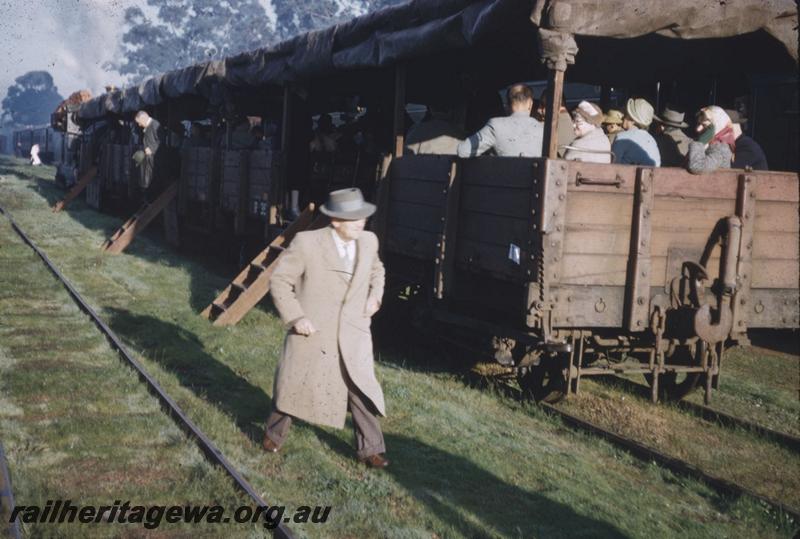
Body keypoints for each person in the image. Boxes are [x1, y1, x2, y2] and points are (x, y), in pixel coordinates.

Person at [264, 188, 389, 468]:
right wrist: (296, 318)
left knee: (360, 389)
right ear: (335, 221)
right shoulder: (307, 243)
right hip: (314, 331)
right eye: (353, 219)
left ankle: (371, 449)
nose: (361, 223)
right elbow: (280, 281)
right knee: (294, 383)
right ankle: (274, 434)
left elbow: (377, 271)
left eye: (363, 217)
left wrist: (375, 296)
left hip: (354, 332)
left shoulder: (368, 242)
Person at [457, 84, 543, 158]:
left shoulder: (496, 126)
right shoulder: (542, 130)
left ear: (508, 104)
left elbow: (463, 151)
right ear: (530, 104)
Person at [611, 98, 661, 166]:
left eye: (626, 113)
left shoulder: (622, 137)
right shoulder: (652, 140)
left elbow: (613, 166)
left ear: (633, 120)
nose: (623, 117)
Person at [687, 106, 735, 174]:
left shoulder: (720, 149)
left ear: (717, 126)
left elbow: (696, 167)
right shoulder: (709, 144)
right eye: (698, 124)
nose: (697, 129)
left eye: (704, 125)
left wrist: (700, 142)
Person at [133, 110, 162, 200]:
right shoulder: (149, 126)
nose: (139, 125)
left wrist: (152, 149)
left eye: (139, 122)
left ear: (143, 118)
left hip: (154, 159)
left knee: (151, 181)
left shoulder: (155, 125)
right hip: (148, 159)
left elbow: (162, 141)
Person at [535, 92, 575, 157]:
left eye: (542, 105)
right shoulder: (567, 119)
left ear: (553, 105)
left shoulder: (553, 124)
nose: (538, 110)